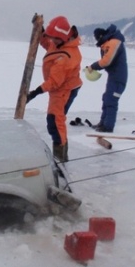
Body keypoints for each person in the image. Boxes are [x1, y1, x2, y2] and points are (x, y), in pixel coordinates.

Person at [26, 16, 83, 162]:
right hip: (59, 87)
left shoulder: (66, 58)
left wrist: (35, 93)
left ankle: (60, 160)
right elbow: (48, 44)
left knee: (55, 122)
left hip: (64, 89)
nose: (53, 41)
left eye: (55, 39)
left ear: (63, 37)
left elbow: (54, 82)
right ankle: (61, 156)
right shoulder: (60, 43)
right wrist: (40, 31)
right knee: (56, 121)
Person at [85, 24, 128, 132]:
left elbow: (107, 61)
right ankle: (103, 123)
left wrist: (93, 67)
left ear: (100, 36)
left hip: (118, 78)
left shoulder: (114, 42)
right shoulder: (108, 42)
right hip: (113, 76)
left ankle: (108, 127)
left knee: (111, 100)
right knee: (106, 98)